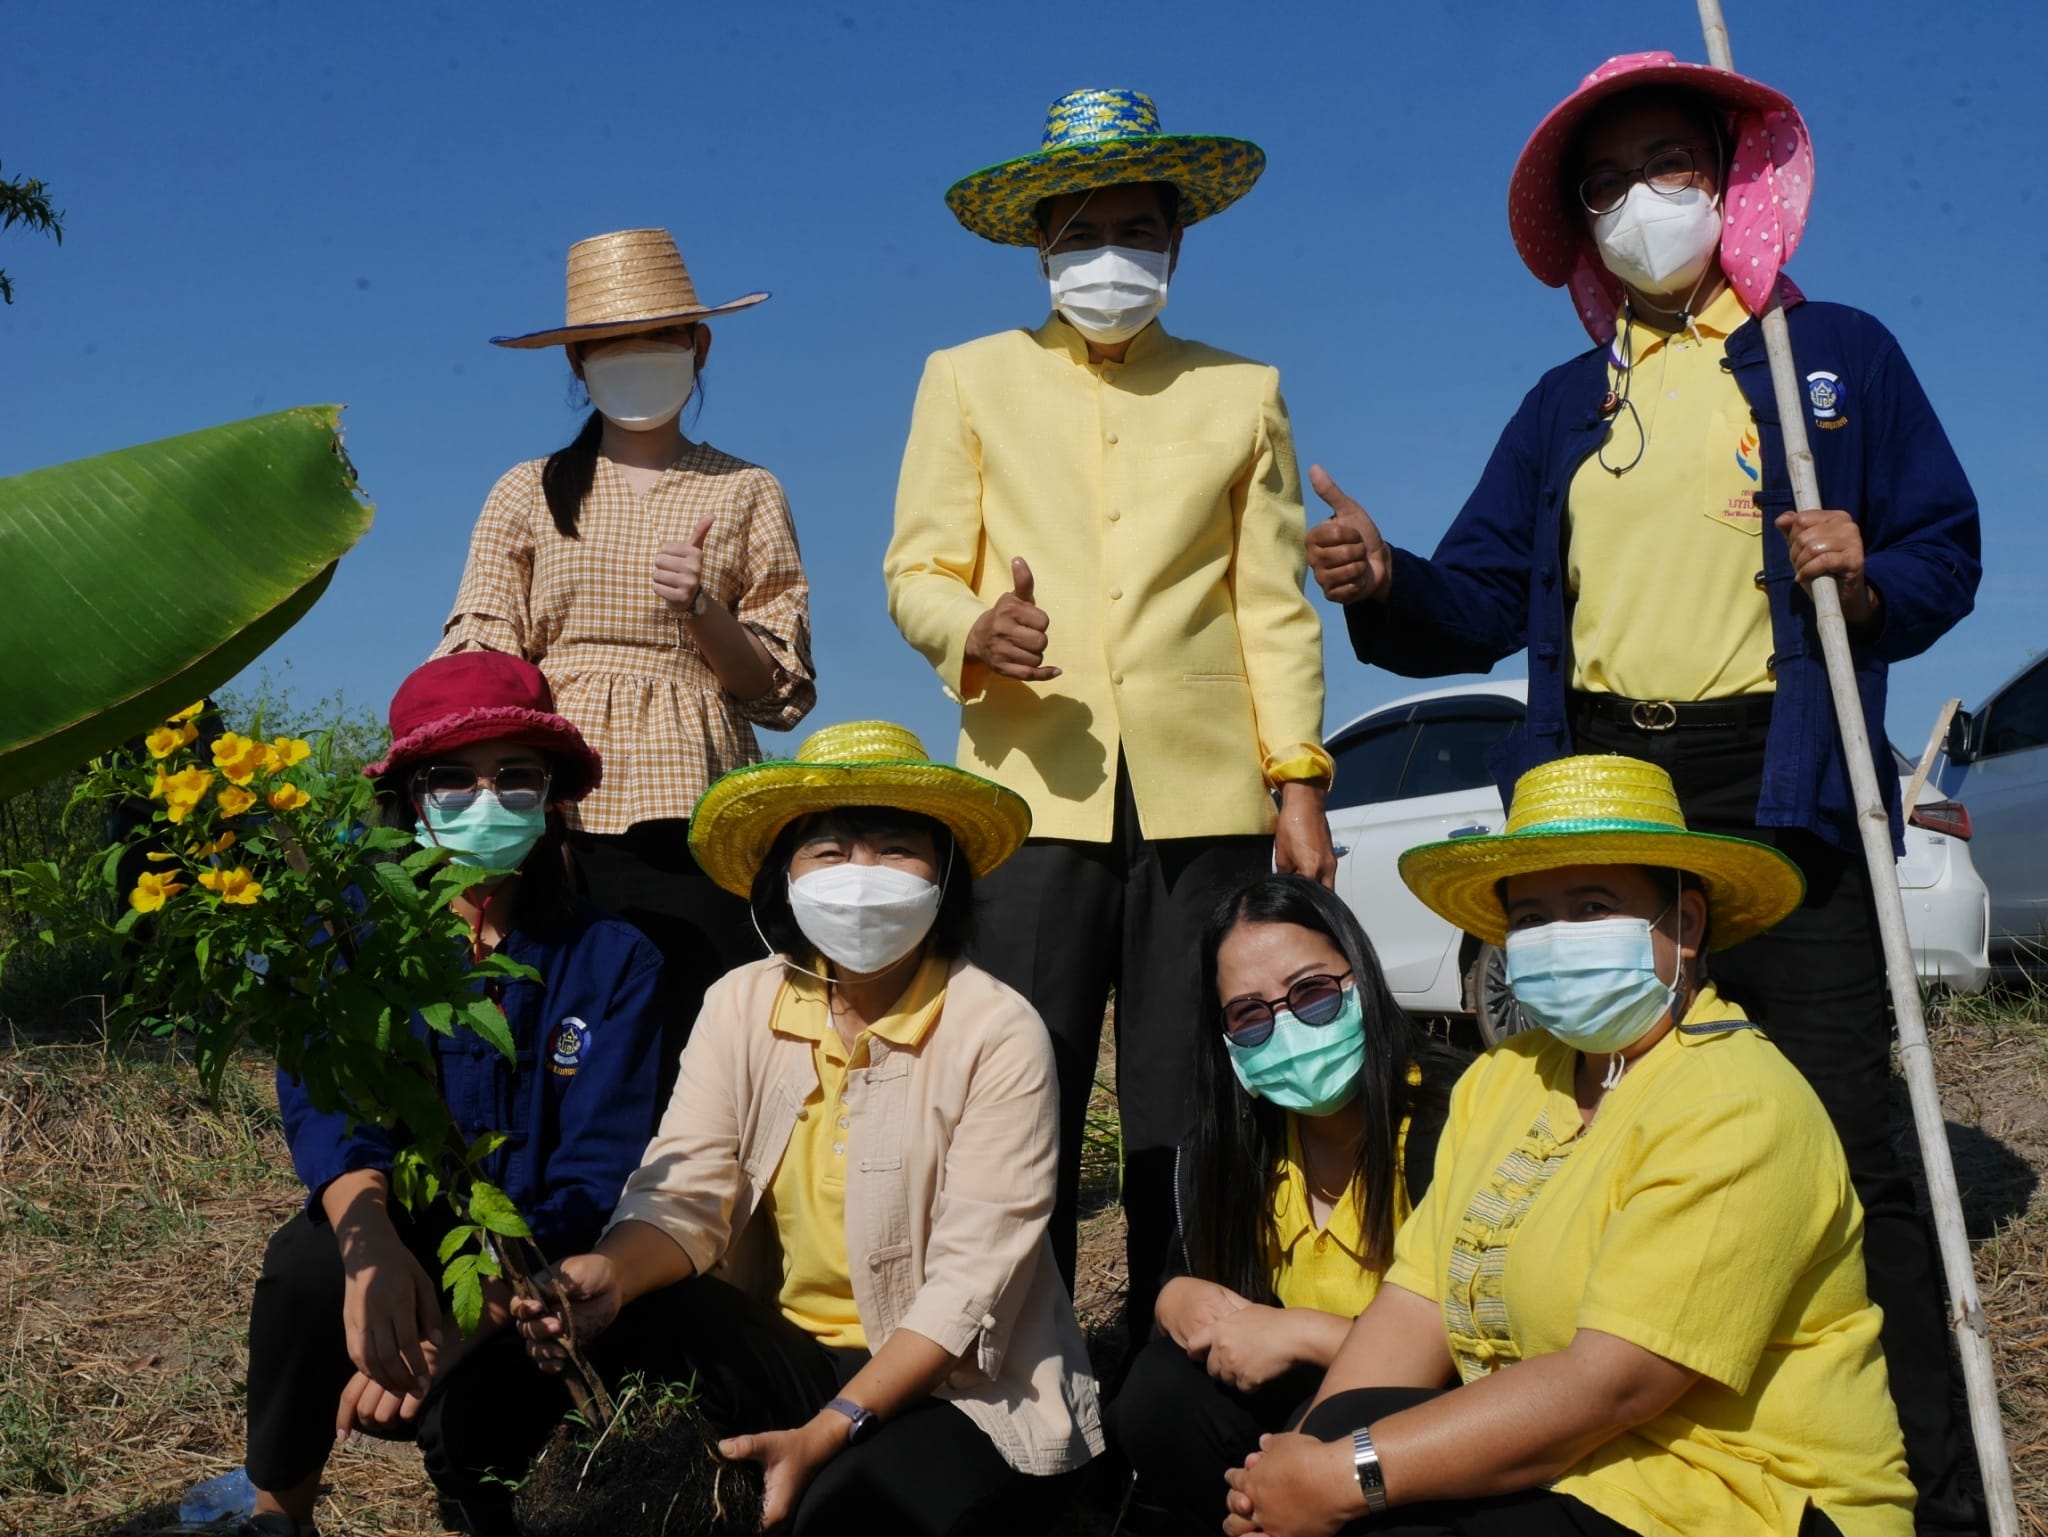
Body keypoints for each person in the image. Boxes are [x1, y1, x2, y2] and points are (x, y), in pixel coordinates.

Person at [1304, 52, 1981, 1530]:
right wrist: (1385, 580)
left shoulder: (1835, 358)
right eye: (1606, 184)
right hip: (1607, 785)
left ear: (1731, 179)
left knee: (1842, 1135)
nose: (1638, 203)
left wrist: (1865, 574)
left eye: (1668, 164)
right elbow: (1474, 592)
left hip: (1782, 779)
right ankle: (1619, 1434)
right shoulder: (1564, 404)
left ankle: (1914, 1491)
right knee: (1597, 1106)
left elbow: (1945, 550)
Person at [885, 88, 1337, 1341]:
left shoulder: (1241, 391)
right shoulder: (967, 379)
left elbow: (1271, 606)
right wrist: (969, 628)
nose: (1107, 257)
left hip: (1205, 799)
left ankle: (1177, 1350)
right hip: (1030, 793)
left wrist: (1296, 783)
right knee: (1013, 1081)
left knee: (1187, 1095)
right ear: (1040, 247)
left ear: (1175, 245)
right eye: (1079, 232)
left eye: (1133, 230)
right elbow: (916, 567)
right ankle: (1000, 1353)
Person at [1221, 753, 1913, 1537]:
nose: (1557, 939)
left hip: (1742, 1494)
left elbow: (1609, 1384)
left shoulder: (1738, 1103)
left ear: (1683, 926)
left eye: (1591, 906)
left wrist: (1351, 1477)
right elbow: (1414, 1305)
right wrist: (1303, 1465)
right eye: (1531, 919)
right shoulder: (1506, 1077)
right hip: (1578, 1465)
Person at [511, 721, 1104, 1536]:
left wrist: (825, 1432)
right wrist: (610, 1272)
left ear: (945, 878)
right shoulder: (741, 1002)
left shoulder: (999, 1030)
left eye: (897, 849)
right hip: (789, 1351)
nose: (862, 876)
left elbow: (968, 1289)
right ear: (783, 879)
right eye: (829, 851)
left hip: (960, 1385)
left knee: (848, 1515)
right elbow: (689, 1187)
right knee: (622, 1333)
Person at [239, 653, 668, 1537]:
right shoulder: (346, 936)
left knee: (480, 1411)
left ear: (552, 797)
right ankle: (278, 1511)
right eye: (453, 779)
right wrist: (369, 1246)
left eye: (516, 775)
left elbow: (596, 1168)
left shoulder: (613, 959)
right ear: (408, 797)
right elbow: (329, 1104)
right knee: (302, 1272)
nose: (487, 800)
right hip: (399, 1221)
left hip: (539, 1253)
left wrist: (466, 1328)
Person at [437, 226, 815, 1075]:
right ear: (577, 363)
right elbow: (482, 655)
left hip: (699, 795)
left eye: (660, 336)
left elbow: (777, 692)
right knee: (564, 1032)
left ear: (699, 343)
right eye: (611, 344)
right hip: (560, 801)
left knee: (699, 1030)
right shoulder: (526, 491)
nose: (637, 358)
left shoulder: (748, 488)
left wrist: (702, 610)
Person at [1108, 873, 1462, 1535]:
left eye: (1312, 993)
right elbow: (1185, 1275)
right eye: (1249, 1013)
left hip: (1426, 1422)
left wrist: (1301, 1332)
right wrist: (1173, 1296)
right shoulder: (1234, 1141)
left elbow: (1486, 1359)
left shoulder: (1455, 1121)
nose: (1289, 1026)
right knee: (1157, 1394)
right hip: (1286, 1413)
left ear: (1360, 975)